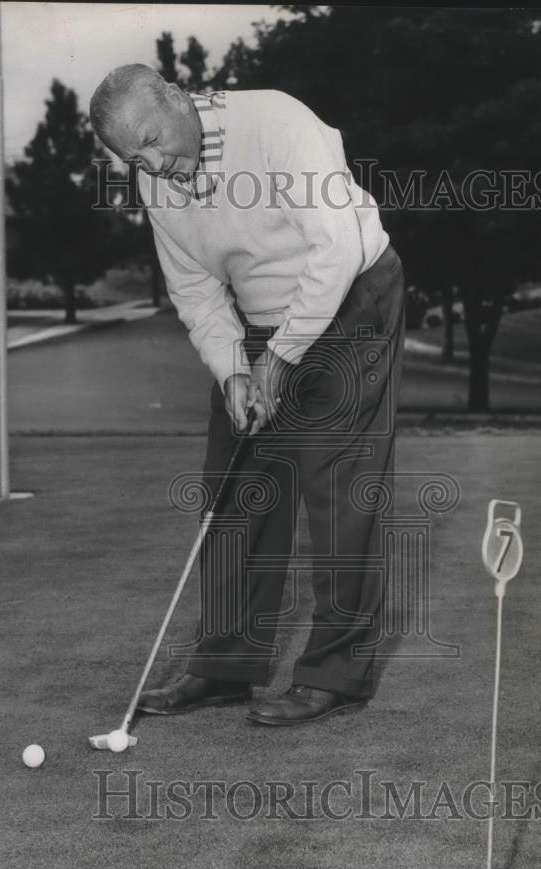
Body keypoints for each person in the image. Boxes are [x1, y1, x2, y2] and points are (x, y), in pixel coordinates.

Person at [89, 65, 405, 726]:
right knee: (235, 486)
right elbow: (197, 291)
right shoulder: (157, 180)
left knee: (335, 484)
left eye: (151, 138)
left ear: (178, 97)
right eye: (130, 155)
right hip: (264, 321)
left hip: (351, 296)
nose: (148, 161)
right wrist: (235, 371)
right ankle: (227, 664)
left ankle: (336, 674)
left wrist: (281, 358)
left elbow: (336, 246)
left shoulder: (276, 123)